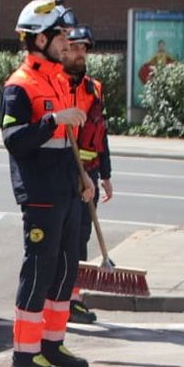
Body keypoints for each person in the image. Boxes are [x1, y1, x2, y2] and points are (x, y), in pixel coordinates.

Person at [2, 0, 95, 367]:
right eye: (60, 36)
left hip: (67, 189)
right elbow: (13, 139)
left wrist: (84, 177)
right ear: (40, 39)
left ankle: (52, 344)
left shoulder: (56, 80)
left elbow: (67, 142)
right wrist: (53, 118)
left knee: (65, 269)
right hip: (41, 193)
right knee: (40, 270)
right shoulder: (20, 85)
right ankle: (25, 354)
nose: (67, 43)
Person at [62, 23, 113, 324]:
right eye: (75, 47)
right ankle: (55, 297)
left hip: (88, 175)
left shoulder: (94, 88)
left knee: (80, 237)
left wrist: (105, 174)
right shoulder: (58, 86)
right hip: (64, 173)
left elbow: (100, 133)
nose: (80, 53)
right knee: (62, 238)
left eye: (84, 48)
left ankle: (73, 298)